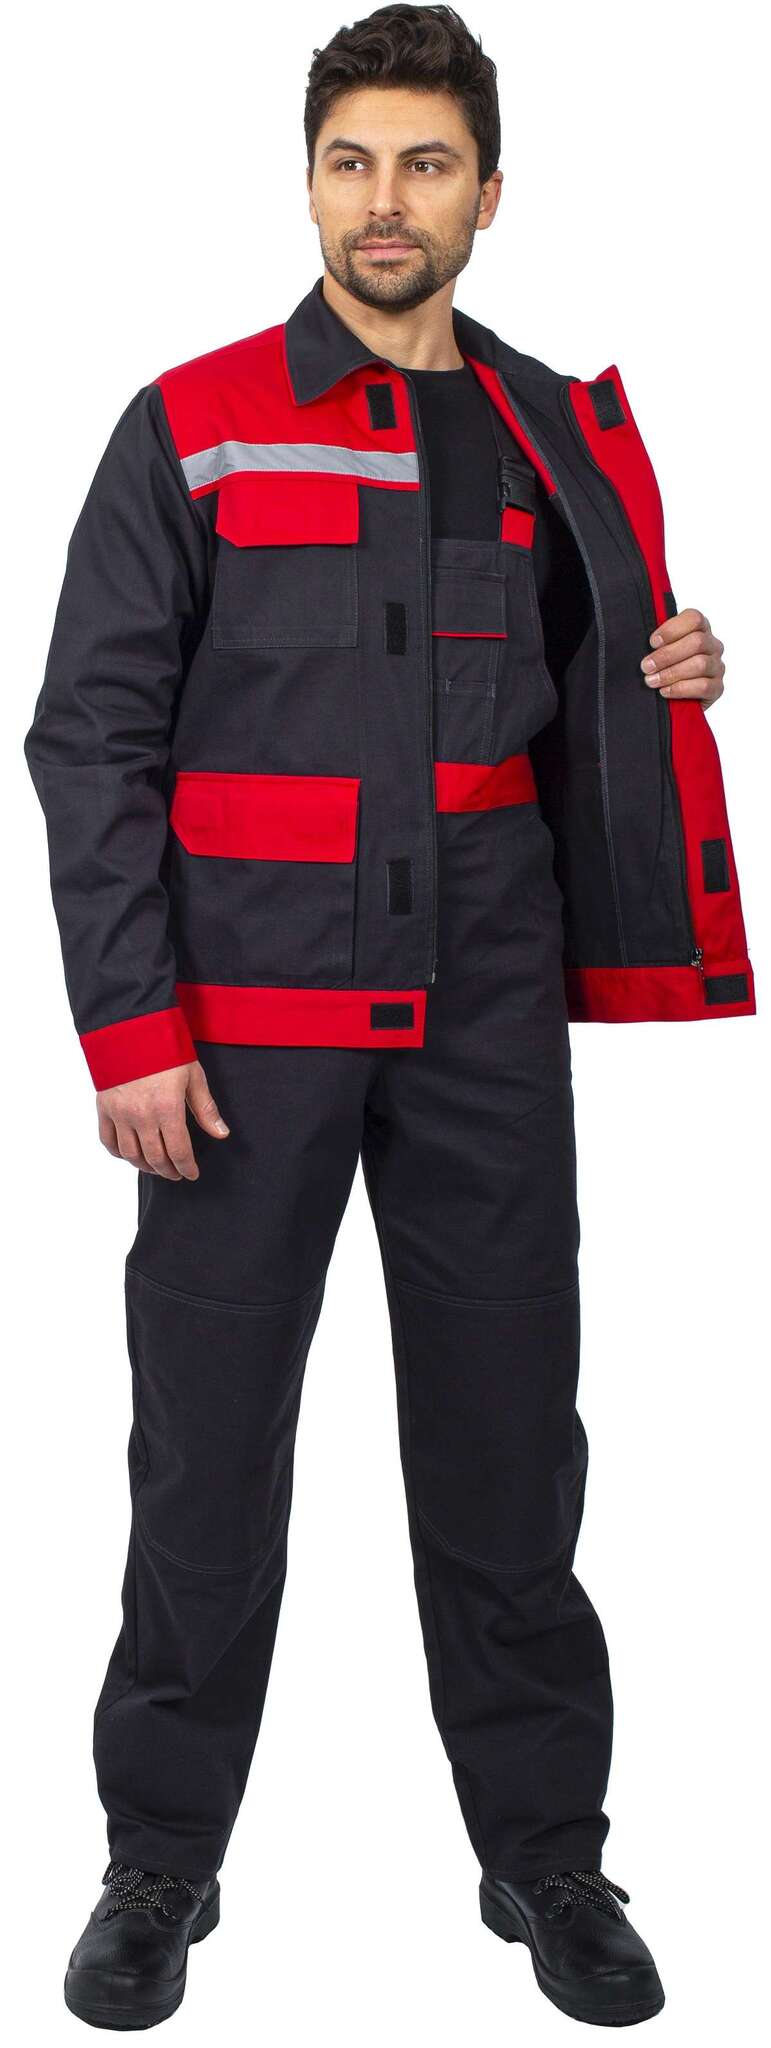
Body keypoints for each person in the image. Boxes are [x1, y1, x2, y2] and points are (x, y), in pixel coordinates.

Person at [24, 3, 752, 2031]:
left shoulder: (540, 429)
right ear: (308, 181)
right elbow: (88, 736)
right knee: (206, 1462)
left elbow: (580, 683)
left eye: (425, 163)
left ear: (487, 194)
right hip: (239, 1032)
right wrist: (129, 1025)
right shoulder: (191, 421)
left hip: (482, 1016)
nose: (383, 200)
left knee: (511, 1448)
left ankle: (546, 1856)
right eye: (350, 160)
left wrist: (671, 661)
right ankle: (159, 1860)